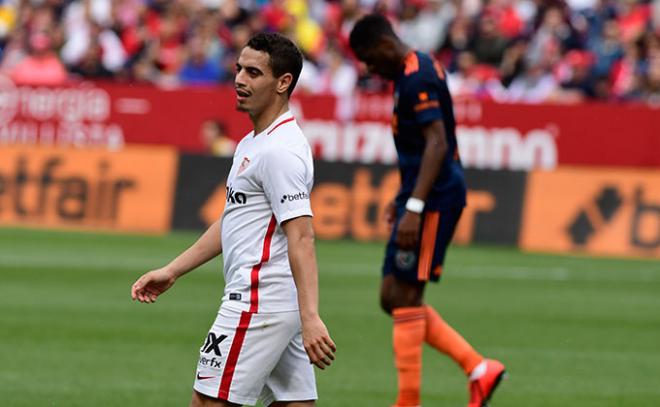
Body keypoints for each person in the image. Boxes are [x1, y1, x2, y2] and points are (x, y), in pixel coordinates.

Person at [131, 32, 336, 407]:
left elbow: (302, 237)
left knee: (209, 402)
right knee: (295, 405)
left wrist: (311, 317)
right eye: (239, 69)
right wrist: (173, 270)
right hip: (277, 303)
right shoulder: (253, 143)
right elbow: (234, 219)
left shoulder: (280, 152)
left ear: (283, 82)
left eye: (254, 73)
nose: (240, 80)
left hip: (258, 301)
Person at [349, 14, 506, 407]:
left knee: (404, 294)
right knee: (393, 295)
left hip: (434, 198)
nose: (369, 69)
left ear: (384, 45)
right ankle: (478, 368)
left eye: (368, 58)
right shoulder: (413, 68)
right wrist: (403, 196)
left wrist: (415, 206)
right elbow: (425, 146)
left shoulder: (416, 77)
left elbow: (437, 143)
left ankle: (409, 400)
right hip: (421, 193)